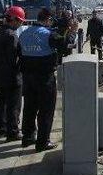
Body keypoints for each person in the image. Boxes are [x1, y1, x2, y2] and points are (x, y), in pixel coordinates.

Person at [17, 8, 76, 152]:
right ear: (48, 20)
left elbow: (19, 52)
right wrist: (71, 31)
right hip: (44, 77)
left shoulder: (24, 33)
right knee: (46, 110)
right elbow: (66, 45)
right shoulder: (48, 34)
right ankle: (43, 142)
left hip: (28, 77)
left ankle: (28, 137)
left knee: (30, 107)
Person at [0, 6, 24, 141]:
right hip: (12, 75)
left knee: (0, 102)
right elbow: (14, 58)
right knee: (13, 105)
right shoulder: (11, 36)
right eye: (20, 21)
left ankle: (0, 130)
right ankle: (13, 132)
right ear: (14, 19)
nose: (21, 24)